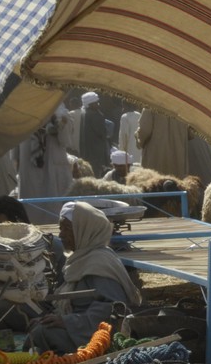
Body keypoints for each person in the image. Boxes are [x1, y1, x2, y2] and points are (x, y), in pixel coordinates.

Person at [32, 201, 142, 351]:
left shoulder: (99, 262)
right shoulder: (80, 259)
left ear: (84, 230)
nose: (61, 235)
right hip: (80, 327)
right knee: (37, 327)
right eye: (60, 228)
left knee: (42, 334)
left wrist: (68, 322)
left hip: (97, 335)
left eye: (67, 229)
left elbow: (113, 308)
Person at [17, 107, 73, 222]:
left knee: (54, 207)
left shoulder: (59, 111)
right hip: (30, 166)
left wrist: (61, 123)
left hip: (53, 166)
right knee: (32, 208)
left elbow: (65, 140)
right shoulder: (21, 112)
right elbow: (16, 147)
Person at [136, 109, 190, 177]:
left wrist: (138, 140)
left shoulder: (150, 105)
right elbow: (190, 133)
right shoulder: (183, 108)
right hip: (177, 161)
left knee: (153, 184)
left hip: (155, 160)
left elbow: (144, 131)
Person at [77, 92, 115, 173]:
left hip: (87, 150)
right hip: (96, 152)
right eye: (96, 103)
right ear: (90, 104)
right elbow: (102, 133)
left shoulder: (84, 113)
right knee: (97, 172)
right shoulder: (95, 115)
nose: (98, 104)